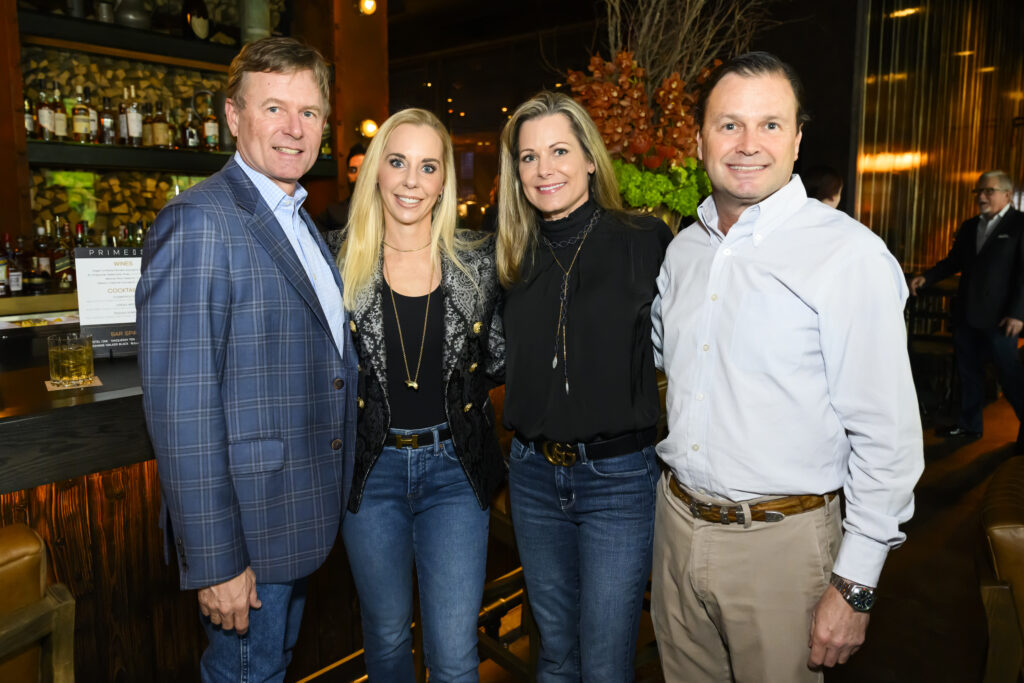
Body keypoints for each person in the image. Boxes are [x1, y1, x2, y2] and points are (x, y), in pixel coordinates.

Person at [651, 51, 923, 681]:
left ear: (798, 139)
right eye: (728, 124)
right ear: (698, 140)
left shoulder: (847, 255)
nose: (748, 144)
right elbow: (668, 362)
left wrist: (855, 586)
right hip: (676, 528)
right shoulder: (684, 250)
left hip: (783, 546)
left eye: (770, 125)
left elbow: (887, 436)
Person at [136, 37, 357, 682]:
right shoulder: (200, 221)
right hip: (246, 538)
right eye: (275, 109)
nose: (295, 129)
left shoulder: (296, 216)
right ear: (234, 117)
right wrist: (216, 560)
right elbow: (181, 412)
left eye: (310, 112)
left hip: (292, 518)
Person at [496, 91, 672, 681]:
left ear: (591, 158)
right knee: (554, 653)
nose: (544, 169)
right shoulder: (509, 253)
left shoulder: (643, 240)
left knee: (603, 661)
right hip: (532, 476)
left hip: (618, 481)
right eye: (528, 157)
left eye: (559, 151)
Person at [338, 108, 505, 681]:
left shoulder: (479, 261)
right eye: (398, 162)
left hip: (455, 471)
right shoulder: (336, 260)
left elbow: (504, 357)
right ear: (376, 172)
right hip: (370, 470)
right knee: (385, 642)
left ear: (443, 182)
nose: (411, 180)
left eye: (428, 166)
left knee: (454, 653)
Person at [910, 171, 1024, 448]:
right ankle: (969, 426)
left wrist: (1019, 313)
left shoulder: (1021, 225)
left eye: (988, 191)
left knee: (1011, 377)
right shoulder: (971, 225)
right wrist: (928, 277)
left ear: (1007, 195)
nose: (981, 197)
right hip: (967, 314)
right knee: (968, 374)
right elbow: (954, 261)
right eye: (978, 192)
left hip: (1002, 319)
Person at [317, 143, 367, 241]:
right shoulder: (333, 213)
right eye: (353, 170)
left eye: (364, 169)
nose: (358, 176)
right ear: (347, 175)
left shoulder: (389, 211)